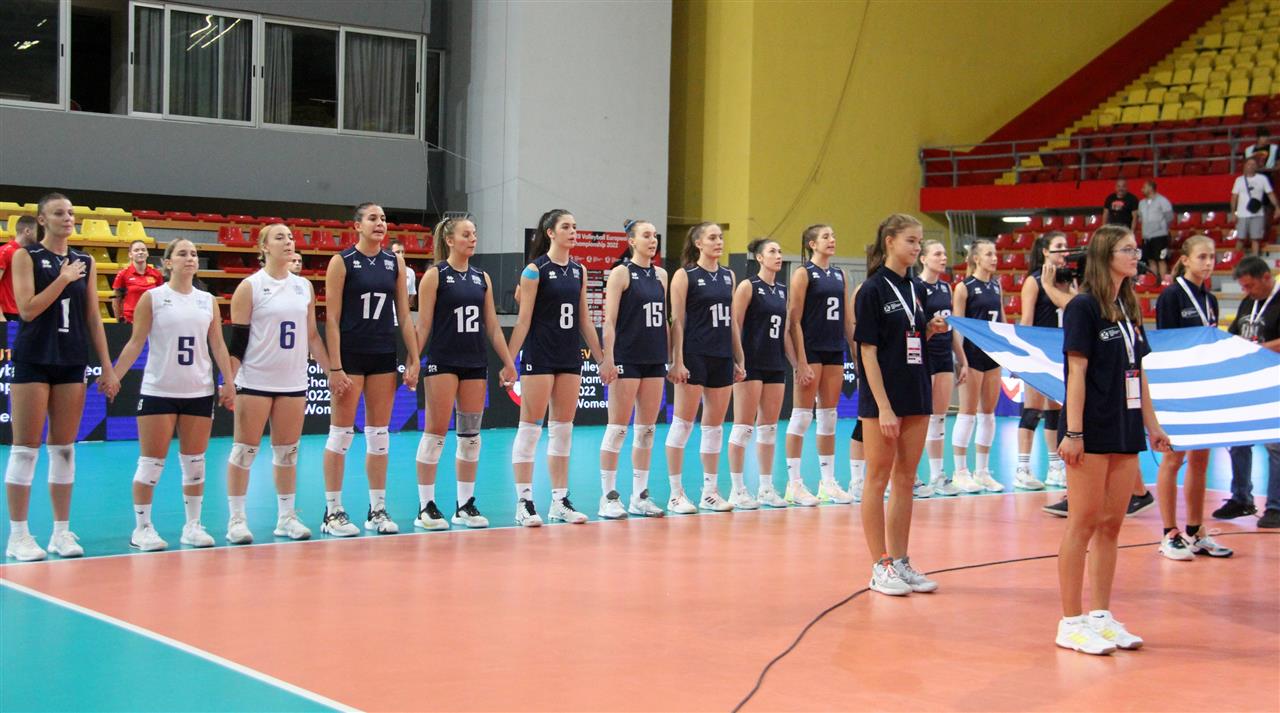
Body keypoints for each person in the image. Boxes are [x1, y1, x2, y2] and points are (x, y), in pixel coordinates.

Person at [1055, 224, 1170, 655]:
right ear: (1106, 256)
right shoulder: (1083, 307)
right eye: (1128, 250)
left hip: (1125, 426)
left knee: (1111, 524)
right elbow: (1076, 373)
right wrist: (1074, 432)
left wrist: (1152, 425)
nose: (1136, 256)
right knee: (1082, 522)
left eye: (1136, 250)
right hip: (1091, 428)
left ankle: (1100, 616)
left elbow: (1139, 374)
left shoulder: (1128, 306)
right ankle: (1070, 622)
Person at [4, 193, 121, 561]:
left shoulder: (85, 261)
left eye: (70, 213)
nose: (68, 218)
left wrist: (107, 366)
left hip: (71, 359)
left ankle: (60, 532)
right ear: (42, 220)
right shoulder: (26, 257)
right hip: (34, 357)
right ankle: (18, 536)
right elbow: (27, 310)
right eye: (59, 213)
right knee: (26, 448)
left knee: (64, 448)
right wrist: (62, 278)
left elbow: (93, 317)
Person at [223, 224, 348, 545]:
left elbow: (312, 336)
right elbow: (237, 342)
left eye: (291, 237)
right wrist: (228, 381)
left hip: (293, 382)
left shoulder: (303, 286)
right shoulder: (250, 287)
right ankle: (236, 519)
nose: (289, 241)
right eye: (280, 237)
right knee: (244, 452)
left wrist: (332, 370)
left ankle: (286, 517)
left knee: (288, 453)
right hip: (255, 380)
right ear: (263, 247)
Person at [111, 239, 235, 551]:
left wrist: (229, 381)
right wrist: (114, 375)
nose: (190, 258)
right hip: (159, 389)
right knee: (151, 463)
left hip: (199, 390)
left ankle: (192, 526)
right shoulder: (153, 298)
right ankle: (142, 528)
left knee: (195, 463)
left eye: (194, 253)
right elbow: (136, 342)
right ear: (167, 263)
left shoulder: (207, 300)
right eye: (182, 254)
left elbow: (218, 344)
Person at [855, 214, 948, 596]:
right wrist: (883, 407)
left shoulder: (915, 288)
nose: (917, 247)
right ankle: (880, 565)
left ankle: (901, 559)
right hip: (884, 397)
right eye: (911, 240)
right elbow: (868, 352)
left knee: (906, 479)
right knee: (878, 477)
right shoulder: (872, 290)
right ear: (890, 241)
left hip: (916, 390)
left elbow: (909, 336)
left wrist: (929, 331)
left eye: (920, 241)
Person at [507, 209, 613, 526]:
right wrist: (509, 361)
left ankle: (559, 501)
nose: (573, 231)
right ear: (550, 232)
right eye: (566, 226)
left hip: (569, 357)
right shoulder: (534, 271)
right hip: (539, 355)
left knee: (563, 430)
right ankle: (524, 502)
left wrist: (602, 358)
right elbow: (523, 321)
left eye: (575, 226)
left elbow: (585, 320)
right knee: (530, 429)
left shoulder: (579, 271)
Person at [320, 203, 419, 537]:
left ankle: (377, 509)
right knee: (341, 434)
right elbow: (332, 319)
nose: (380, 223)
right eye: (373, 218)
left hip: (383, 354)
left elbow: (403, 314)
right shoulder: (342, 261)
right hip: (351, 355)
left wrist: (414, 358)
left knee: (379, 435)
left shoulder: (394, 262)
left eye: (383, 219)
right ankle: (332, 511)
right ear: (357, 226)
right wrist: (335, 366)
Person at [413, 216, 517, 530]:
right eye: (466, 234)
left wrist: (508, 361)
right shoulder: (435, 275)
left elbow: (492, 326)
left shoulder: (481, 277)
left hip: (474, 363)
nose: (473, 239)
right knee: (435, 435)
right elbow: (423, 325)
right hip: (443, 362)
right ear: (449, 240)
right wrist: (413, 360)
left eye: (474, 234)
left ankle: (464, 505)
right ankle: (426, 506)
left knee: (471, 438)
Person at [1152, 235, 1234, 558]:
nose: (1209, 262)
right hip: (1178, 389)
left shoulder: (1210, 299)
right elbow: (1165, 346)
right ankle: (1168, 533)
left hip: (1204, 388)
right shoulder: (1171, 296)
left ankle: (1196, 531)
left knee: (1201, 459)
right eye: (1202, 256)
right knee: (1174, 458)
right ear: (1185, 260)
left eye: (1212, 256)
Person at [666, 222, 745, 514]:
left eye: (721, 237)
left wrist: (739, 357)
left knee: (714, 428)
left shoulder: (728, 276)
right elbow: (677, 321)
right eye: (712, 237)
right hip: (694, 354)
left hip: (721, 355)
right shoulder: (685, 275)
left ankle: (710, 492)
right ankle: (675, 494)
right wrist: (677, 360)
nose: (718, 242)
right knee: (683, 424)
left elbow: (732, 321)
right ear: (698, 243)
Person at [598, 219, 668, 518]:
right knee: (617, 429)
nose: (652, 240)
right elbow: (610, 320)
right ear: (632, 241)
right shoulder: (621, 273)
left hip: (654, 358)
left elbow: (665, 320)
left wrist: (672, 357)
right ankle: (608, 497)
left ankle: (640, 495)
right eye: (646, 235)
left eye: (655, 236)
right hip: (627, 357)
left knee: (647, 430)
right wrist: (608, 358)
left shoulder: (662, 275)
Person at [785, 225, 854, 506]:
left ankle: (828, 483)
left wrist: (856, 354)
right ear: (812, 244)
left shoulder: (840, 275)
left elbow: (848, 320)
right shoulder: (803, 273)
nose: (832, 240)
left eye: (833, 235)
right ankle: (794, 484)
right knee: (802, 416)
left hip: (835, 349)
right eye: (826, 236)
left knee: (829, 416)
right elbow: (794, 320)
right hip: (811, 349)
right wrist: (800, 361)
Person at [1216, 256, 1280, 528]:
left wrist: (1256, 349)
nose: (1247, 291)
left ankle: (1276, 507)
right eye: (1243, 286)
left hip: (1274, 383)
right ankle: (1241, 498)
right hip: (1247, 382)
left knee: (1275, 446)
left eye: (1250, 286)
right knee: (1238, 440)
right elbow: (1234, 334)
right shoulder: (1248, 302)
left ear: (1267, 277)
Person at [730, 238, 793, 509]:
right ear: (759, 257)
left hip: (775, 363)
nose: (778, 256)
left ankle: (766, 488)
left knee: (768, 428)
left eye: (780, 251)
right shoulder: (748, 286)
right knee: (743, 427)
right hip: (751, 363)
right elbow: (734, 325)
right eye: (772, 251)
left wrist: (797, 363)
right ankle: (737, 489)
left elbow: (786, 332)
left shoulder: (782, 290)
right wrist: (738, 360)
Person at [1016, 232, 1074, 491]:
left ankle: (1054, 467)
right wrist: (1022, 358)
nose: (1065, 251)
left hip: (1062, 353)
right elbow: (1026, 321)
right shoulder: (1034, 281)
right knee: (1032, 409)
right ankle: (1022, 468)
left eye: (1066, 246)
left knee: (1055, 410)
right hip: (1038, 354)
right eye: (1059, 246)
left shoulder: (1068, 281)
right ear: (1045, 252)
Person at [950, 239, 1004, 493]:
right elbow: (958, 325)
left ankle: (982, 471)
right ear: (976, 259)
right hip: (971, 354)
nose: (994, 258)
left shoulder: (996, 286)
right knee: (967, 412)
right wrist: (961, 359)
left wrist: (1007, 353)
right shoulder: (964, 288)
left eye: (995, 253)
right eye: (989, 254)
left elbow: (1002, 321)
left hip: (993, 355)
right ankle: (960, 471)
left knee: (988, 414)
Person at [914, 240, 964, 497]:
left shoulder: (946, 287)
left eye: (944, 253)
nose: (943, 258)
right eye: (937, 254)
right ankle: (910, 475)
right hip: (923, 355)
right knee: (919, 416)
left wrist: (962, 359)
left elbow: (952, 327)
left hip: (944, 355)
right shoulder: (916, 287)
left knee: (939, 417)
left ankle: (938, 476)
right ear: (923, 259)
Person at [1229, 157, 1280, 256]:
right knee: (1240, 239)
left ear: (1256, 166)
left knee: (1255, 239)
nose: (1251, 166)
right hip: (1242, 214)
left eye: (1253, 164)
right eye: (1249, 164)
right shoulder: (1239, 180)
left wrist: (1277, 207)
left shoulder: (1262, 179)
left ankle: (1255, 259)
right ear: (1245, 166)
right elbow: (1234, 197)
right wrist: (1233, 212)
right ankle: (1234, 260)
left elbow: (1270, 194)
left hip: (1257, 214)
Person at [112, 239, 164, 323]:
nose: (140, 252)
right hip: (130, 321)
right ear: (130, 255)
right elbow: (116, 300)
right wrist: (120, 320)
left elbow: (161, 298)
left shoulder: (156, 274)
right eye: (136, 250)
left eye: (143, 250)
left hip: (152, 320)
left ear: (147, 253)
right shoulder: (123, 274)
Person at [0, 215, 37, 321]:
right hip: (8, 314)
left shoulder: (29, 254)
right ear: (27, 231)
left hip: (23, 313)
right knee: (11, 333)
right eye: (38, 232)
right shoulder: (5, 251)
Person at [1137, 181, 1174, 279]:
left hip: (1159, 236)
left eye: (1144, 187)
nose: (1142, 190)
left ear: (1151, 188)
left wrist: (1161, 227)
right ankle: (1154, 281)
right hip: (1146, 236)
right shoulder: (1141, 203)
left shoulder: (1162, 201)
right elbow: (1140, 218)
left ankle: (1163, 282)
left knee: (1161, 259)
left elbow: (1169, 217)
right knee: (1150, 260)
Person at [390, 238, 417, 312]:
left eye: (402, 252)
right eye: (397, 252)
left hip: (403, 313)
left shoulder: (410, 272)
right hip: (387, 314)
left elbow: (412, 293)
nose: (401, 255)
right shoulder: (384, 270)